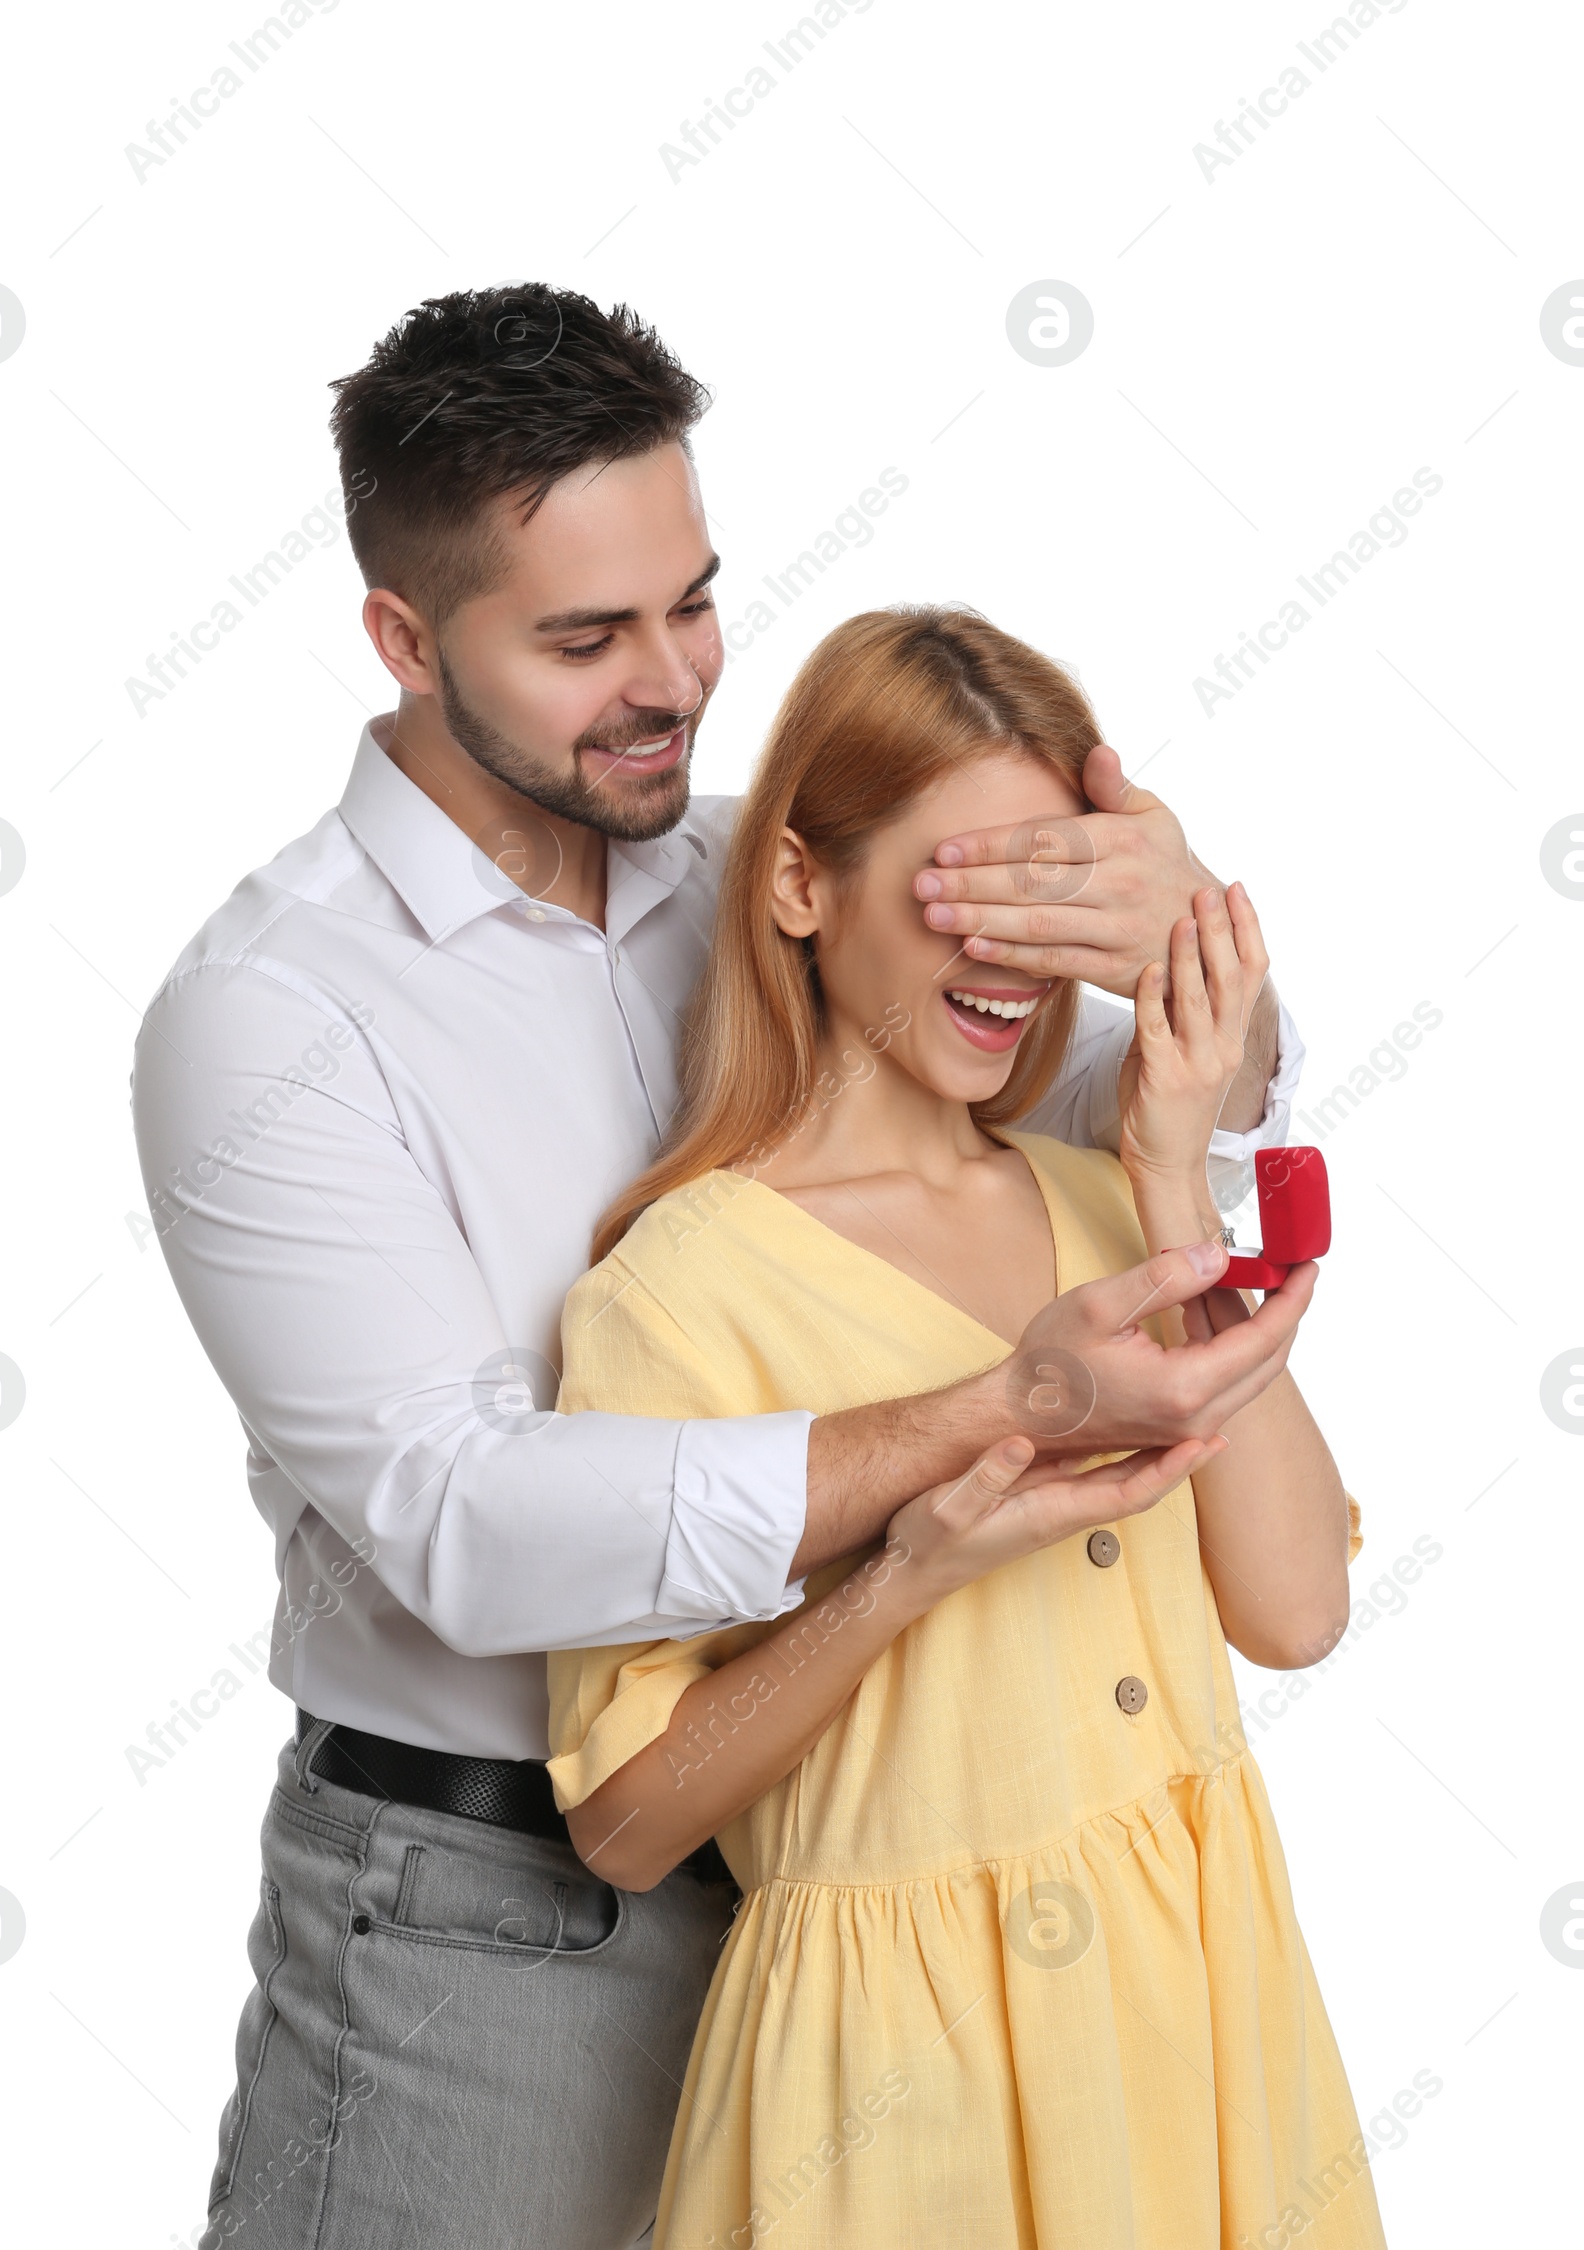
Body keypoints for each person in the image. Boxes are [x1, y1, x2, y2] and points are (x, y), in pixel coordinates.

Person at [132, 287, 1311, 2250]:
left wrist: (1190, 947)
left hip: (863, 1884)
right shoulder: (270, 1022)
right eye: (583, 639)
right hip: (493, 1915)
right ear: (404, 641)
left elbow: (1132, 1102)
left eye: (690, 600)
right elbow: (460, 1522)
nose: (672, 680)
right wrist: (992, 1422)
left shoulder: (760, 878)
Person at [549, 608, 1384, 2249]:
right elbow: (627, 1818)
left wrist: (1165, 1178)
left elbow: (1297, 1612)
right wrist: (906, 1570)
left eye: (1047, 896)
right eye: (958, 889)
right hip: (892, 2092)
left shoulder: (1102, 1200)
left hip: (1203, 2013)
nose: (1007, 953)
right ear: (800, 882)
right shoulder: (678, 1291)